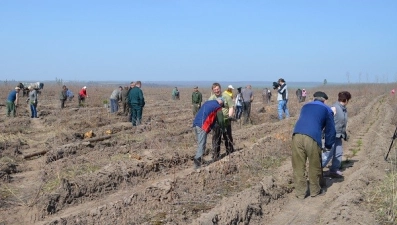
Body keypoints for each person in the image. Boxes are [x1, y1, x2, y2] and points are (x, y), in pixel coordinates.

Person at [292, 91, 336, 198]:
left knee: (298, 165)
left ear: (313, 99)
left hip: (296, 134)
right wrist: (329, 145)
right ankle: (315, 191)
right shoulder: (327, 109)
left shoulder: (305, 106)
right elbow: (330, 131)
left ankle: (300, 193)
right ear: (324, 101)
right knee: (314, 164)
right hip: (312, 137)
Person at [322, 91, 352, 178]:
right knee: (328, 154)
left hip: (339, 135)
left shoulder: (344, 108)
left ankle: (334, 170)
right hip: (331, 135)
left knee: (338, 153)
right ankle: (317, 170)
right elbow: (326, 121)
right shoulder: (334, 108)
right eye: (348, 100)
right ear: (346, 100)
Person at [192, 98, 225, 169]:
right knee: (202, 145)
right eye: (222, 105)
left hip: (195, 124)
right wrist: (223, 128)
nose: (222, 107)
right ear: (221, 103)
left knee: (200, 143)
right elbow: (221, 120)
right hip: (203, 126)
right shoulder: (218, 107)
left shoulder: (207, 103)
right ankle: (197, 163)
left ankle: (200, 159)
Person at [208, 83, 235, 160]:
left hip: (226, 120)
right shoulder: (211, 99)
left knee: (227, 136)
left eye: (218, 89)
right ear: (213, 90)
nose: (217, 91)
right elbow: (209, 110)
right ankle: (216, 156)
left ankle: (230, 153)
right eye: (215, 90)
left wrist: (229, 117)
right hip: (216, 122)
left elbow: (231, 107)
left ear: (220, 88)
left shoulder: (226, 96)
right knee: (216, 139)